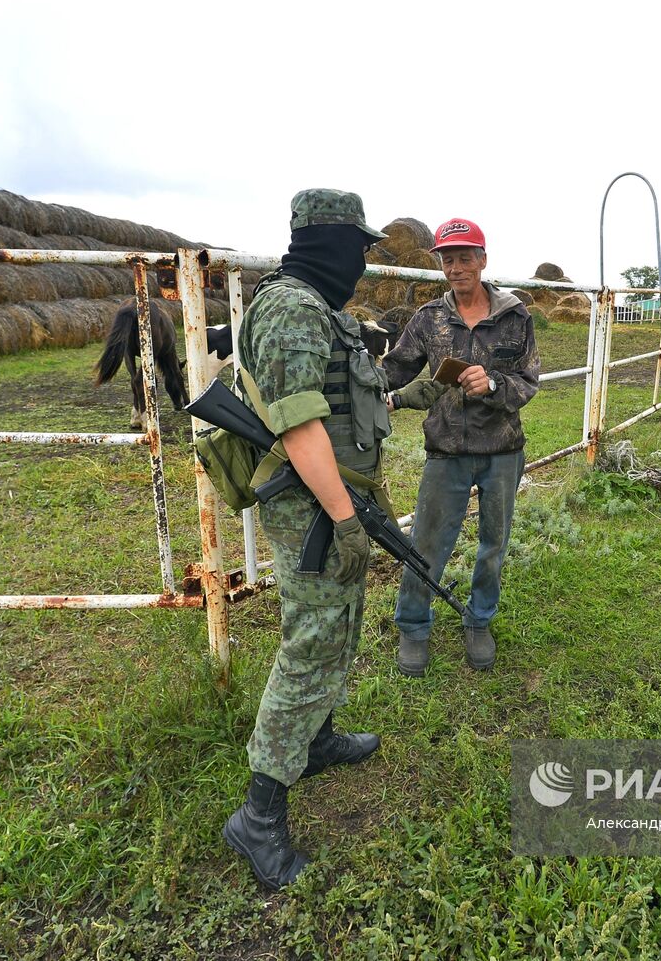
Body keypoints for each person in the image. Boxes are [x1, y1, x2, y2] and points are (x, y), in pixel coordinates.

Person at [222, 188, 390, 890]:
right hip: (314, 503)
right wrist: (345, 519)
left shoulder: (317, 306)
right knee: (313, 640)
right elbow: (297, 427)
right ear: (331, 243)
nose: (360, 262)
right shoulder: (291, 307)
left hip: (333, 494)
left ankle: (313, 739)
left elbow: (339, 399)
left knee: (335, 624)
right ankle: (258, 818)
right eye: (357, 247)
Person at [382, 218, 540, 676]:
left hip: (503, 450)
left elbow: (529, 382)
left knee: (494, 543)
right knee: (426, 542)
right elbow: (394, 370)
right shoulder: (428, 319)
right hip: (446, 450)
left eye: (464, 257)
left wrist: (492, 383)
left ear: (483, 260)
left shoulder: (515, 316)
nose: (455, 267)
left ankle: (479, 619)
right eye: (447, 259)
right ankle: (414, 625)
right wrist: (365, 390)